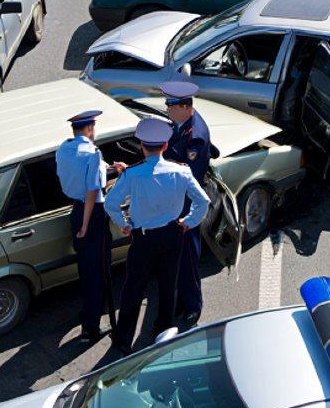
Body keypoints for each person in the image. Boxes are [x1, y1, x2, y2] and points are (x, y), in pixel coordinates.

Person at [105, 117, 210, 354]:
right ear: (165, 146)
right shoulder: (181, 171)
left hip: (143, 238)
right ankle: (163, 328)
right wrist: (188, 222)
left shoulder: (132, 175)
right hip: (173, 234)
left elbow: (111, 203)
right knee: (167, 283)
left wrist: (124, 224)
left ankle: (123, 338)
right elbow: (203, 201)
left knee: (133, 287)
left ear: (142, 146)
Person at [55, 110, 127, 343]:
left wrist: (108, 169)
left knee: (87, 269)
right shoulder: (93, 154)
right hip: (92, 216)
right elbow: (92, 190)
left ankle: (89, 314)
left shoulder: (64, 149)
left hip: (75, 211)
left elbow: (80, 175)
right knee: (99, 274)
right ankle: (91, 327)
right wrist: (86, 225)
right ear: (89, 129)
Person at [162, 81, 213, 328]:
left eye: (170, 105)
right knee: (175, 257)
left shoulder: (196, 138)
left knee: (188, 259)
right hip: (175, 201)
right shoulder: (181, 125)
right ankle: (181, 299)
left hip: (186, 204)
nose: (167, 108)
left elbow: (186, 175)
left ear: (184, 106)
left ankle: (193, 305)